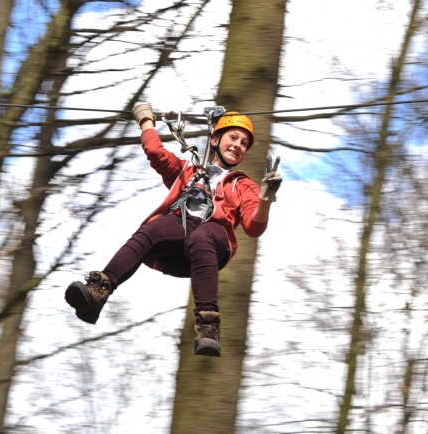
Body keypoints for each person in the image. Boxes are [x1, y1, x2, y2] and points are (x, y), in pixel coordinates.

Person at [64, 104, 282, 357]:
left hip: (211, 244)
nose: (238, 145)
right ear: (215, 139)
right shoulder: (188, 171)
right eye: (233, 137)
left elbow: (254, 227)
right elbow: (155, 152)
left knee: (204, 234)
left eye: (244, 143)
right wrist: (146, 120)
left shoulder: (242, 185)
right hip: (178, 235)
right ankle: (98, 292)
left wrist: (266, 198)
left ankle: (208, 327)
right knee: (155, 227)